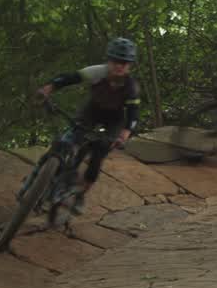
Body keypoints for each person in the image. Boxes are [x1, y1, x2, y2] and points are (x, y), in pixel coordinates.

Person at [33, 37, 140, 207]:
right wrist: (49, 87)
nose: (119, 66)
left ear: (130, 65)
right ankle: (41, 174)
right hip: (91, 112)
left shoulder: (131, 87)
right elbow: (70, 77)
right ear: (108, 60)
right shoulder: (98, 72)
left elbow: (133, 114)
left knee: (98, 156)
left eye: (124, 62)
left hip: (114, 121)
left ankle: (82, 194)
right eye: (116, 61)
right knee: (66, 141)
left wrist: (125, 133)